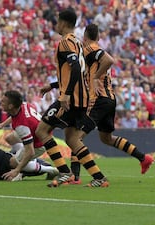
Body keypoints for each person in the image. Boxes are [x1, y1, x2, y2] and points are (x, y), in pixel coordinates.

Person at [35, 9, 108, 187]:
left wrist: (65, 95)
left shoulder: (66, 42)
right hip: (82, 98)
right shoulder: (78, 42)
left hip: (72, 99)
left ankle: (65, 173)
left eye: (58, 21)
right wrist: (53, 85)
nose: (56, 25)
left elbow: (75, 68)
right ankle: (99, 177)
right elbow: (75, 71)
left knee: (42, 131)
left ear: (64, 23)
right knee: (72, 140)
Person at [81, 24, 153, 175]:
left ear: (85, 38)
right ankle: (143, 158)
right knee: (106, 139)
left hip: (99, 99)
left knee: (76, 137)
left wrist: (94, 77)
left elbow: (108, 60)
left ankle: (77, 176)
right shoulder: (92, 52)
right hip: (109, 99)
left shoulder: (90, 48)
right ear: (99, 37)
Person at [0, 90, 64, 181]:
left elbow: (30, 151)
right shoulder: (22, 105)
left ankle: (51, 170)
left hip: (40, 143)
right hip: (36, 131)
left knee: (12, 162)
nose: (1, 102)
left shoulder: (22, 126)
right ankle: (25, 161)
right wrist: (1, 125)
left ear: (11, 106)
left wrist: (17, 170)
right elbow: (14, 115)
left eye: (3, 101)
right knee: (9, 138)